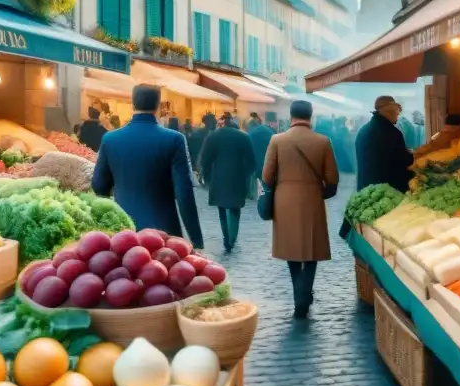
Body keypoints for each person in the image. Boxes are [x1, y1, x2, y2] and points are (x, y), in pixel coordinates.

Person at [92, 85, 204, 248]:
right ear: (158, 106)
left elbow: (99, 186)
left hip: (123, 231)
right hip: (164, 232)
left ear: (133, 104)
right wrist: (196, 240)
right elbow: (184, 193)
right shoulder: (174, 140)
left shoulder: (110, 139)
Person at [262, 100, 338, 319]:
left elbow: (267, 176)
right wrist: (322, 191)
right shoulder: (323, 141)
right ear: (310, 116)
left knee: (291, 249)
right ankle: (304, 293)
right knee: (311, 249)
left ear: (291, 116)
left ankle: (299, 295)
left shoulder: (277, 140)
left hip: (284, 199)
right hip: (312, 197)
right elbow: (332, 178)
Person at [198, 114, 256, 253]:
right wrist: (246, 174)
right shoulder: (243, 137)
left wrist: (205, 176)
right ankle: (232, 237)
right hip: (238, 176)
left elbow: (205, 159)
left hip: (218, 176)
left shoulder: (213, 136)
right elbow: (251, 162)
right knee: (235, 208)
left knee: (222, 208)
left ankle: (226, 237)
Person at [355, 96, 414, 193]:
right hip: (384, 192)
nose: (398, 114)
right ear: (390, 110)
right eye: (396, 110)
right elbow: (404, 162)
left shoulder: (364, 129)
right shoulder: (391, 132)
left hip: (366, 190)